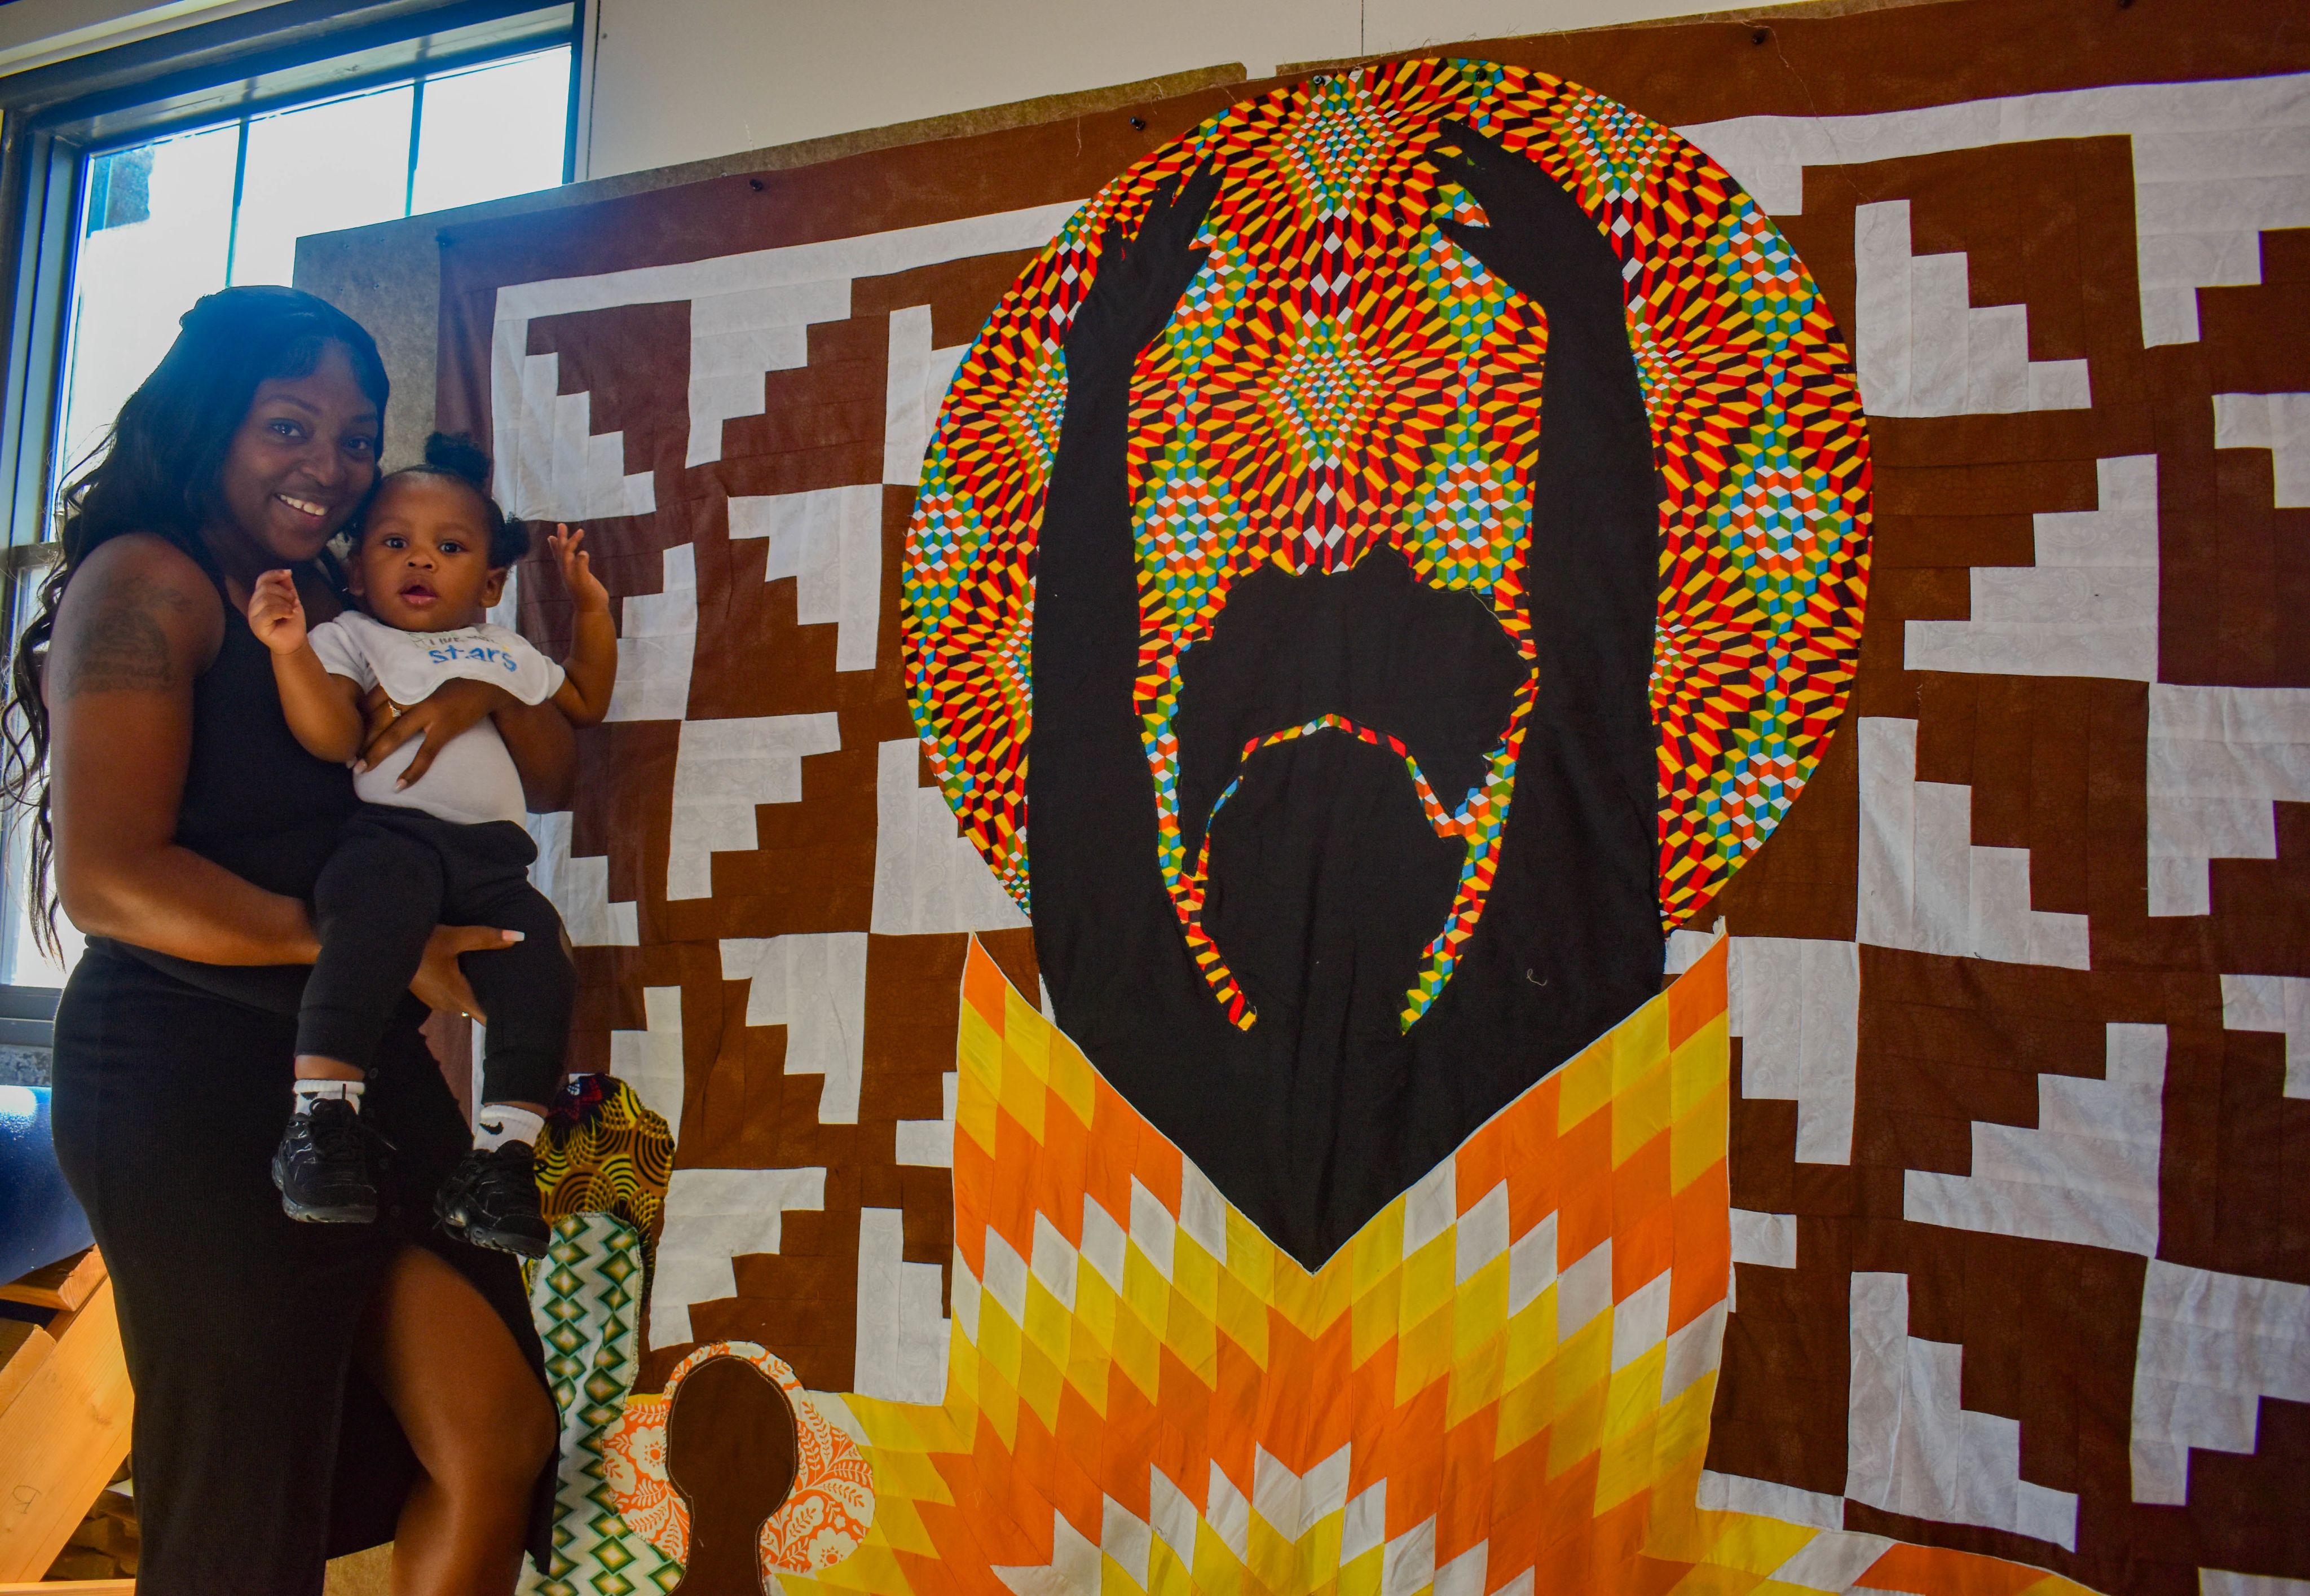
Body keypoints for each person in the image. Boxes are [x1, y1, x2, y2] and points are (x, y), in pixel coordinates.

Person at [5, 285, 560, 1594]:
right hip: (185, 1075)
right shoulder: (148, 579)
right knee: (240, 1502)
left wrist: (483, 679)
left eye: (356, 438)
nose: (329, 466)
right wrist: (369, 952)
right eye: (289, 426)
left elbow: (517, 736)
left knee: (495, 1435)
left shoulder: (336, 595)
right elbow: (110, 880)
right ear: (212, 426)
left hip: (356, 1061)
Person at [248, 432, 614, 1255]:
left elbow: (586, 698)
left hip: (493, 861)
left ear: (490, 582)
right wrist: (288, 652)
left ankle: (502, 1159)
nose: (420, 560)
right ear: (355, 570)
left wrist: (589, 608)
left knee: (541, 968)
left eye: (449, 548)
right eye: (394, 542)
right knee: (369, 930)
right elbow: (330, 733)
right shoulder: (351, 636)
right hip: (391, 842)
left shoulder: (509, 653)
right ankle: (321, 1123)